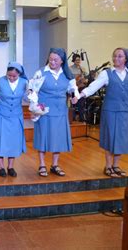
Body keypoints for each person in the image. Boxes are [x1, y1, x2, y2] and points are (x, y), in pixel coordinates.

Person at [75, 48, 128, 177]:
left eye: (120, 56)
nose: (116, 58)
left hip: (125, 112)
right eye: (114, 56)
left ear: (126, 59)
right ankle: (108, 166)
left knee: (121, 139)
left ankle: (116, 166)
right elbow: (94, 86)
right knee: (110, 138)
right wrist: (81, 95)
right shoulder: (107, 73)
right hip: (110, 111)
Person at [32, 48, 79, 177]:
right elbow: (33, 91)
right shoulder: (41, 72)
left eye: (55, 60)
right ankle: (42, 164)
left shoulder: (67, 74)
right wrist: (35, 106)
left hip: (60, 111)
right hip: (44, 110)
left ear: (62, 61)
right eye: (50, 59)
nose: (52, 62)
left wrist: (75, 96)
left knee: (57, 138)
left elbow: (73, 89)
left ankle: (55, 165)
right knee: (43, 137)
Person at [0, 62, 28, 177]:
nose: (11, 78)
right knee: (0, 141)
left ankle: (11, 167)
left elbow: (26, 98)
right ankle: (0, 166)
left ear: (19, 74)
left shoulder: (24, 83)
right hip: (1, 115)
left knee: (13, 142)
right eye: (9, 75)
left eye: (14, 76)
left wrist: (32, 96)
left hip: (16, 116)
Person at [69, 53, 88, 121]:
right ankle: (73, 117)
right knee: (73, 104)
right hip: (74, 88)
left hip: (81, 87)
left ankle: (81, 118)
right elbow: (69, 79)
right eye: (76, 60)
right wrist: (77, 80)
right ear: (73, 60)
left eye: (79, 60)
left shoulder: (82, 69)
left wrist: (85, 80)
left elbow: (86, 80)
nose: (78, 61)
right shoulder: (70, 68)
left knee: (81, 104)